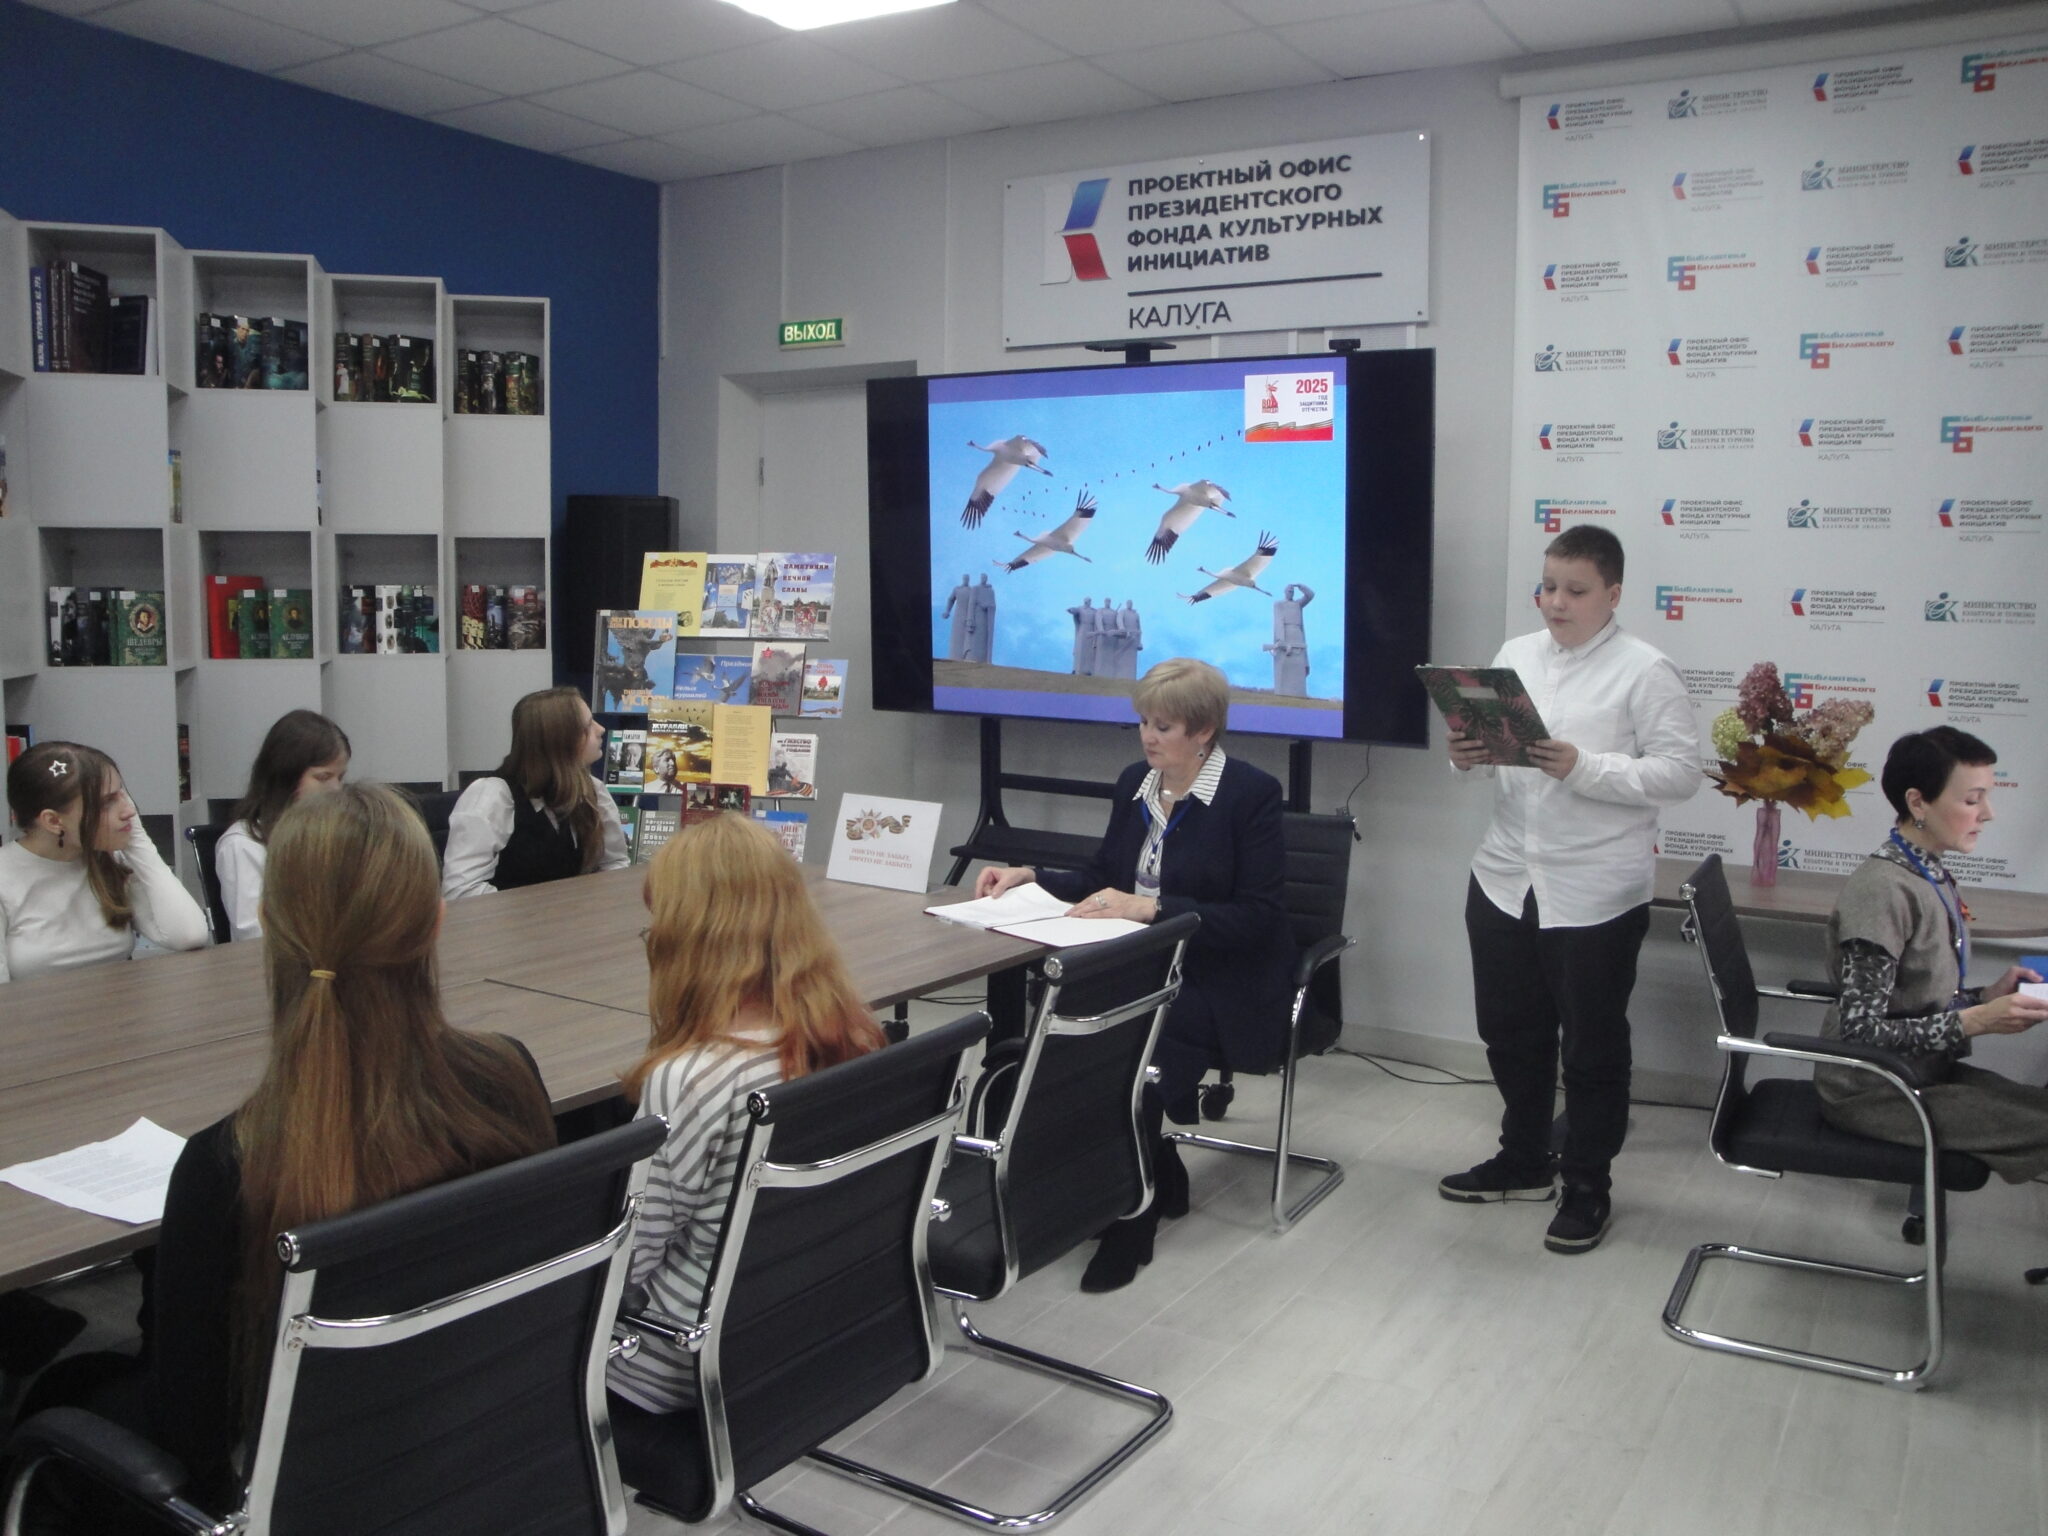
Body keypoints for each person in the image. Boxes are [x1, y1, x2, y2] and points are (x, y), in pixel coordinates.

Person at [13, 785, 557, 1526]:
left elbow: (192, 1440)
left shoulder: (226, 1164)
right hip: (482, 1453)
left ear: (268, 924)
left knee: (59, 1396)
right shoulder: (510, 1077)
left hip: (306, 1493)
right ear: (436, 921)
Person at [974, 658, 1293, 1292]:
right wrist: (1031, 875)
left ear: (1203, 731)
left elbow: (1258, 917)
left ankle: (1132, 1219)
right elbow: (1104, 878)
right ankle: (1145, 1171)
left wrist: (1152, 909)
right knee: (1063, 1046)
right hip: (1139, 966)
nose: (1148, 737)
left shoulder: (1249, 794)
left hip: (1219, 977)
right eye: (1143, 722)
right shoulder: (1135, 783)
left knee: (1127, 1062)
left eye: (1163, 726)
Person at [1439, 526, 1700, 1254]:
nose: (1556, 602)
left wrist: (1587, 767)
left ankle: (1588, 1184)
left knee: (1592, 1046)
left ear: (1612, 594)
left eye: (1575, 590)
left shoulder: (1646, 670)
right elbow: (1488, 754)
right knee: (1508, 1032)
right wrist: (1465, 755)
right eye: (1548, 586)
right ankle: (1523, 1159)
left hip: (1595, 888)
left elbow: (1681, 773)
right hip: (1503, 876)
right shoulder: (1515, 655)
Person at [607, 814, 885, 1413]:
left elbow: (623, 1266)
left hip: (679, 1364)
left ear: (688, 940)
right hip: (797, 1326)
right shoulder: (852, 1035)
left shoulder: (691, 1080)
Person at [1816, 728, 2048, 1179]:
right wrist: (1978, 1020)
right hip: (1874, 1091)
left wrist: (1985, 997)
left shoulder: (1925, 871)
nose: (1988, 814)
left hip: (1921, 1073)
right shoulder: (1883, 891)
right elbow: (1861, 1032)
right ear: (1918, 802)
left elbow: (1913, 999)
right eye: (1972, 800)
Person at [2, 741, 210, 984]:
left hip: (117, 1005)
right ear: (53, 821)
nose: (129, 811)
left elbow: (189, 935)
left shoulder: (110, 859)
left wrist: (137, 841)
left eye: (123, 794)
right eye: (107, 802)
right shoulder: (6, 877)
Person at [443, 686, 628, 899]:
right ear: (560, 740)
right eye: (588, 726)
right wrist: (538, 910)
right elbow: (460, 891)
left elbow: (615, 864)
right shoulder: (493, 796)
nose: (601, 729)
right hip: (510, 920)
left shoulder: (592, 790)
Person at [214, 710, 350, 941]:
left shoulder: (335, 834)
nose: (336, 789)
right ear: (286, 776)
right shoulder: (243, 844)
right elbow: (253, 933)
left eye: (340, 777)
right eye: (323, 777)